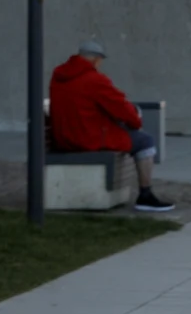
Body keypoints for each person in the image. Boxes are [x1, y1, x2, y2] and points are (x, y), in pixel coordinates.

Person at [48, 41, 175, 212]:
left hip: (64, 138)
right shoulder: (94, 80)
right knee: (145, 140)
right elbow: (121, 107)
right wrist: (135, 121)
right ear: (96, 59)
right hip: (87, 139)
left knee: (130, 136)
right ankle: (145, 195)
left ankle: (143, 194)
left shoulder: (59, 78)